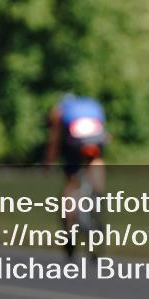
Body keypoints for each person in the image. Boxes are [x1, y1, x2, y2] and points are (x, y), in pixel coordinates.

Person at [45, 94, 108, 258]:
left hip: (75, 142)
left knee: (71, 182)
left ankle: (69, 229)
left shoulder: (60, 110)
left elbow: (55, 139)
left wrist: (49, 162)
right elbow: (105, 132)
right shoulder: (93, 105)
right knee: (96, 161)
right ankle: (97, 193)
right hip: (96, 139)